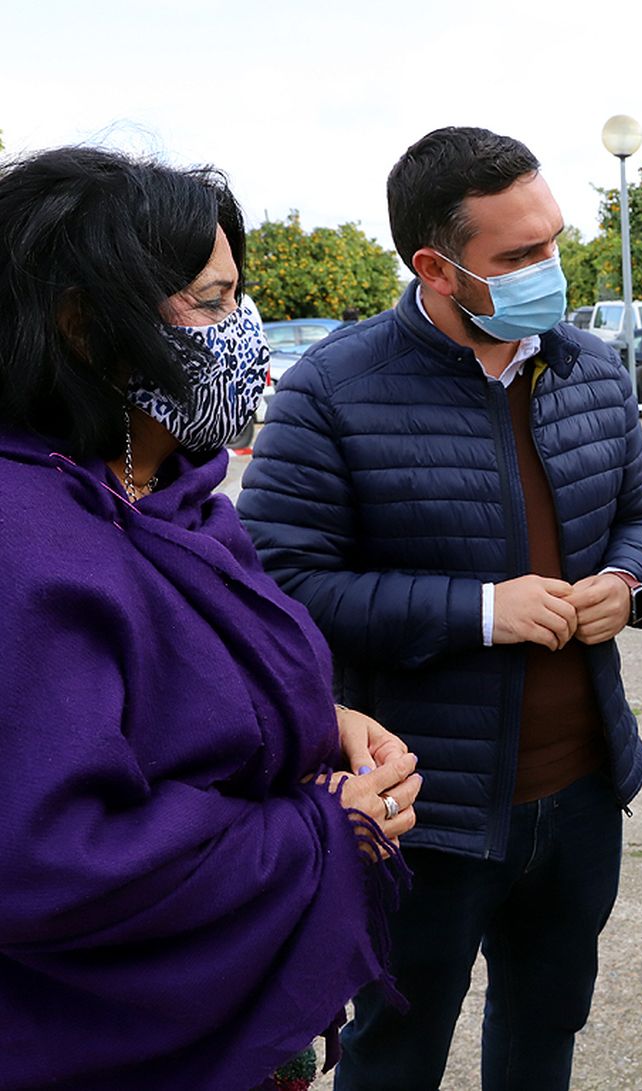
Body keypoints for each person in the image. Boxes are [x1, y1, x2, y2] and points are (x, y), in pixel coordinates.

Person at [238, 126, 642, 1091]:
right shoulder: (331, 392)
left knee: (543, 1034)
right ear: (436, 266)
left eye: (554, 241)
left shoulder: (592, 368)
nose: (548, 270)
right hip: (422, 812)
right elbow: (276, 585)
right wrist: (478, 611)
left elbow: (641, 515)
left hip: (585, 791)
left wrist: (628, 586)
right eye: (519, 257)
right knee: (395, 1053)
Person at [0, 146, 421, 1089]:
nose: (247, 331)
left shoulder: (177, 493)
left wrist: (328, 723)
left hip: (244, 1031)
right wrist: (327, 825)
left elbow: (211, 686)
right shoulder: (23, 538)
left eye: (241, 293)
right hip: (110, 1048)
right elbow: (49, 856)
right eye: (212, 301)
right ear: (82, 327)